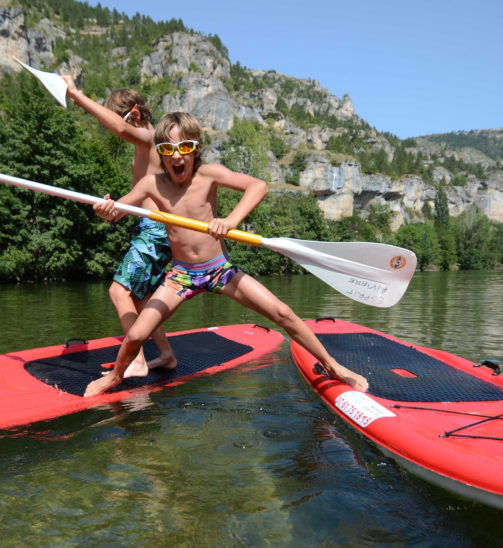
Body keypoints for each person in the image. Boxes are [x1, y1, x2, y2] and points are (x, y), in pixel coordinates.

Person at [84, 112, 368, 397]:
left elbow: (259, 186)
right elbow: (118, 211)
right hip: (181, 276)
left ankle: (333, 365)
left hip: (220, 270)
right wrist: (107, 210)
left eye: (184, 148)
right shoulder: (152, 184)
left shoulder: (209, 175)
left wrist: (231, 220)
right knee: (135, 335)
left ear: (196, 151)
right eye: (167, 150)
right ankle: (116, 376)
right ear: (161, 153)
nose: (176, 156)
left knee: (282, 312)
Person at [63, 78, 176, 377]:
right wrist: (114, 212)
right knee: (140, 299)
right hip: (151, 228)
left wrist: (77, 95)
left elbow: (122, 128)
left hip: (156, 231)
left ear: (136, 114)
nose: (117, 130)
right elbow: (141, 199)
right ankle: (165, 355)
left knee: (118, 291)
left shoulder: (150, 139)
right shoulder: (146, 147)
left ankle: (136, 361)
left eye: (122, 117)